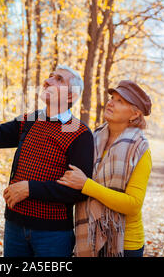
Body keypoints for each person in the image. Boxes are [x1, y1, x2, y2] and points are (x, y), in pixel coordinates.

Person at [0, 65, 94, 257]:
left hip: (53, 234)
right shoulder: (31, 120)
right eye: (49, 76)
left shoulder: (79, 132)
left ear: (71, 96)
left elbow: (78, 190)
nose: (47, 80)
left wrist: (29, 189)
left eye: (58, 79)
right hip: (14, 226)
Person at [57, 80, 152, 257]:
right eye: (112, 98)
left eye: (120, 101)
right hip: (89, 237)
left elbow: (133, 204)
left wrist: (87, 186)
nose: (110, 102)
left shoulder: (139, 149)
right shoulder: (93, 137)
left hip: (124, 244)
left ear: (135, 114)